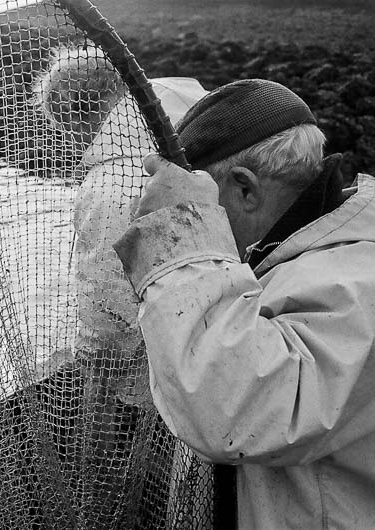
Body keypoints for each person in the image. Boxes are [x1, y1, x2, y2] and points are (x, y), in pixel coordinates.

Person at [114, 78, 375, 528]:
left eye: (207, 201)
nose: (206, 217)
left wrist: (183, 234)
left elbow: (229, 411)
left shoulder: (356, 284)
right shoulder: (308, 251)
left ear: (246, 189)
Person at [36, 45, 212, 526]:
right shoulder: (175, 120)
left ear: (76, 111)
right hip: (206, 334)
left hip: (151, 356)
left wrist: (94, 361)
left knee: (102, 441)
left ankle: (106, 513)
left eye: (65, 129)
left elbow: (105, 296)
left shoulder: (111, 183)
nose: (71, 142)